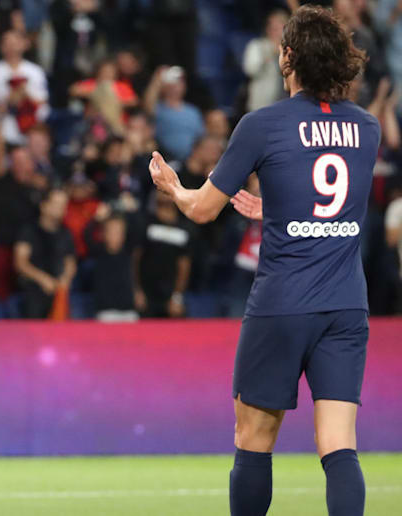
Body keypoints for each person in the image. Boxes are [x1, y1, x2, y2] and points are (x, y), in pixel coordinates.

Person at [148, 7, 375, 516]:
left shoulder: (263, 125)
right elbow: (337, 208)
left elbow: (203, 210)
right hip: (345, 307)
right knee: (339, 444)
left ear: (288, 57)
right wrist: (278, 210)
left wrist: (174, 188)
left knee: (254, 438)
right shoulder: (367, 127)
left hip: (282, 303)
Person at [14, 188, 77, 319]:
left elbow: (70, 262)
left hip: (58, 293)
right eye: (56, 204)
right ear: (44, 206)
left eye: (63, 205)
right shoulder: (29, 230)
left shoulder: (66, 233)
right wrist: (43, 279)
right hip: (32, 293)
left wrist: (65, 279)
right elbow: (20, 262)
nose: (61, 209)